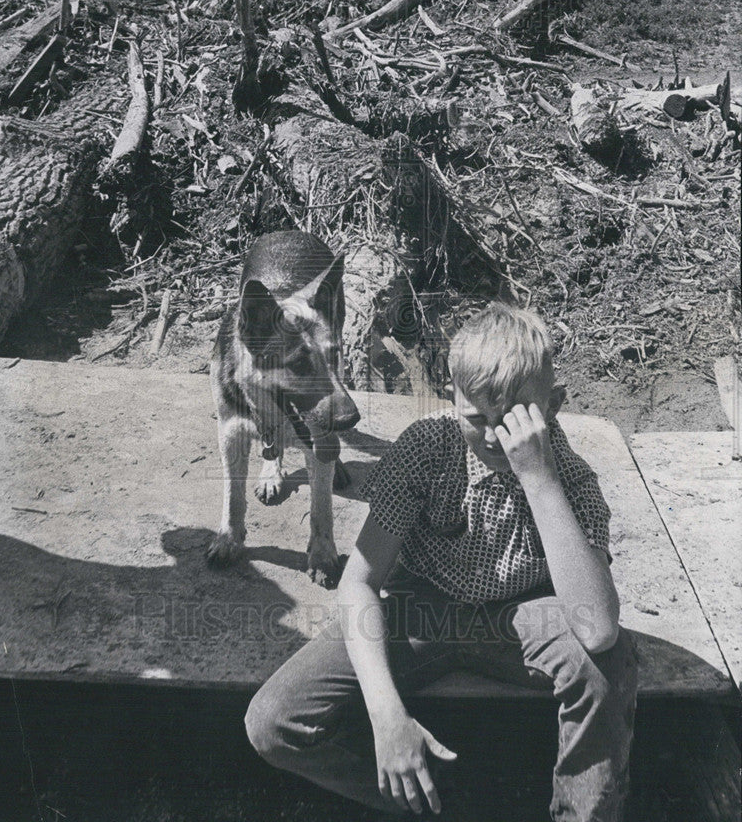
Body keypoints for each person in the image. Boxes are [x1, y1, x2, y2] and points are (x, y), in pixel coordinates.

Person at [245, 303, 638, 821]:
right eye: (477, 418)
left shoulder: (567, 474)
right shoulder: (427, 448)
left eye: (518, 419)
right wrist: (387, 718)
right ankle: (435, 802)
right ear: (451, 399)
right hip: (422, 608)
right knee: (272, 722)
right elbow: (360, 583)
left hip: (520, 615)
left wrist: (539, 480)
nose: (497, 437)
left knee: (609, 665)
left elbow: (598, 629)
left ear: (555, 405)